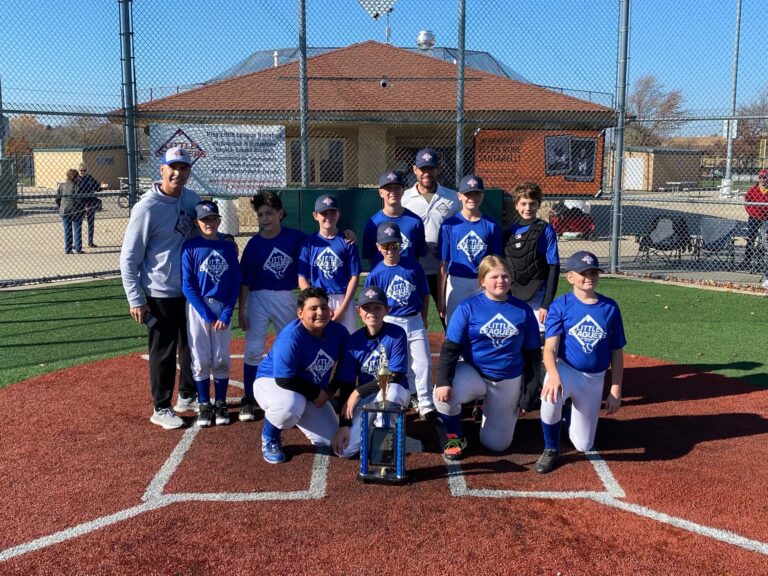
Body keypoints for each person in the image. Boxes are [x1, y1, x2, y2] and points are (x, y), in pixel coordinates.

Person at [239, 192, 357, 422]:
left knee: (301, 344)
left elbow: (325, 237)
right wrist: (242, 310)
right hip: (258, 298)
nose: (265, 218)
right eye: (261, 214)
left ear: (281, 213)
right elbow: (245, 281)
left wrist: (348, 233)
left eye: (270, 213)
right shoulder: (254, 243)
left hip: (286, 297)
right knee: (254, 348)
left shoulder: (297, 238)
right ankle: (248, 399)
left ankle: (308, 391)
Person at [119, 146, 200, 430]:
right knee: (163, 352)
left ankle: (188, 396)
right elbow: (129, 257)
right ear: (162, 170)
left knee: (191, 346)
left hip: (189, 290)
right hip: (159, 291)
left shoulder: (191, 199)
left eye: (184, 167)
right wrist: (135, 298)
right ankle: (161, 407)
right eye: (173, 167)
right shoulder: (147, 207)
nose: (178, 172)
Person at [434, 256, 542, 460]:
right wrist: (443, 382)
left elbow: (533, 356)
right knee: (442, 396)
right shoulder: (468, 307)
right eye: (494, 277)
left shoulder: (523, 310)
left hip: (508, 378)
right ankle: (454, 436)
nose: (500, 281)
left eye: (505, 276)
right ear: (482, 281)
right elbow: (450, 348)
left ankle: (487, 411)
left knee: (496, 445)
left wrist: (529, 393)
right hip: (475, 372)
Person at [533, 251, 626, 474]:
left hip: (594, 378)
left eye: (593, 272)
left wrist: (615, 389)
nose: (589, 277)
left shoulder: (609, 307)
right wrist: (553, 375)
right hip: (566, 370)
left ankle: (568, 412)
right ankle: (550, 448)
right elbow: (550, 349)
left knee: (584, 444)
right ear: (570, 277)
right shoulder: (561, 305)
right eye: (583, 273)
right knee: (550, 396)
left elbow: (617, 352)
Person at [253, 287, 355, 464]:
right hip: (273, 382)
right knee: (289, 407)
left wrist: (330, 391)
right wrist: (317, 393)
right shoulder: (291, 337)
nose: (320, 312)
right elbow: (285, 378)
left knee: (335, 442)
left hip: (306, 388)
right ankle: (270, 436)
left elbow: (345, 372)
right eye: (313, 308)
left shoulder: (339, 333)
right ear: (300, 312)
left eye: (324, 307)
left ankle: (297, 415)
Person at [364, 221, 436, 421]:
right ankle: (394, 398)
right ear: (378, 247)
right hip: (390, 321)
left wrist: (423, 318)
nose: (390, 250)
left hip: (413, 320)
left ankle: (426, 404)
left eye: (394, 245)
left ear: (401, 245)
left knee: (423, 363)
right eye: (386, 246)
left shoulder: (413, 266)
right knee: (392, 366)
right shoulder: (376, 273)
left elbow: (424, 294)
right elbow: (370, 303)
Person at [181, 201, 242, 428]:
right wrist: (206, 314)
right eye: (204, 219)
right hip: (199, 308)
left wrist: (226, 313)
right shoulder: (190, 247)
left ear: (219, 220)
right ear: (197, 223)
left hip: (222, 306)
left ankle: (221, 402)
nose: (209, 223)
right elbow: (188, 285)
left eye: (213, 219)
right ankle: (205, 403)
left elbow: (235, 281)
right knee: (200, 357)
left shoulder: (227, 247)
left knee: (221, 357)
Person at [332, 285, 411, 458]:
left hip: (395, 391)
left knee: (389, 396)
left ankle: (389, 442)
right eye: (367, 308)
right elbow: (346, 383)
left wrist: (357, 392)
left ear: (387, 310)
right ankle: (375, 426)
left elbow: (394, 375)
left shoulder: (397, 334)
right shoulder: (353, 341)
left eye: (377, 307)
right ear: (358, 311)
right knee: (345, 451)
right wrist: (343, 424)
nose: (372, 312)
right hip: (369, 396)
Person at [402, 148, 459, 326]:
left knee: (449, 317)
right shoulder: (404, 198)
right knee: (413, 318)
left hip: (443, 267)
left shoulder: (452, 197)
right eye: (423, 169)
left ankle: (456, 353)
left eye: (431, 168)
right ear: (414, 169)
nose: (427, 173)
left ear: (438, 169)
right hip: (415, 266)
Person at [438, 174, 502, 325]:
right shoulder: (449, 225)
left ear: (482, 196)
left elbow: (497, 262)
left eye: (476, 193)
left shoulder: (491, 225)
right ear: (459, 196)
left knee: (483, 325)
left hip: (483, 282)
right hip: (457, 281)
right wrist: (441, 299)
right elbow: (443, 265)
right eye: (468, 194)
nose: (472, 197)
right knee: (455, 326)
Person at [504, 181, 560, 337]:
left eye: (532, 204)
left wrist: (546, 303)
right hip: (513, 293)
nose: (528, 208)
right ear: (516, 205)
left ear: (538, 204)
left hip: (537, 293)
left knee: (540, 336)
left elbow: (553, 267)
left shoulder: (545, 229)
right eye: (523, 203)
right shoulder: (508, 232)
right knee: (514, 335)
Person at [298, 194, 361, 334]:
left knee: (349, 341)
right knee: (318, 341)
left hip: (343, 298)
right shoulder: (309, 244)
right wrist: (315, 301)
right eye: (324, 213)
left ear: (339, 214)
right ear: (315, 215)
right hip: (318, 297)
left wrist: (342, 309)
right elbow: (302, 278)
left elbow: (354, 277)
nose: (329, 217)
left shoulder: (347, 241)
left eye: (333, 212)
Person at [363, 170, 426, 268]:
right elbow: (370, 258)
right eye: (388, 188)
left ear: (403, 191)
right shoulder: (373, 223)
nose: (393, 192)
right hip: (382, 280)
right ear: (380, 192)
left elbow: (417, 256)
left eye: (397, 188)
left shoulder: (415, 221)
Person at [743, 169, 768, 275]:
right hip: (754, 218)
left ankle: (761, 261)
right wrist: (753, 213)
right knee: (750, 238)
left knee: (764, 239)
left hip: (766, 219)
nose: (762, 179)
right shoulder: (753, 189)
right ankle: (747, 260)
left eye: (765, 177)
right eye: (760, 177)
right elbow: (747, 203)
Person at [76, 162, 107, 248]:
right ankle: (77, 243)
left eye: (84, 170)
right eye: (81, 170)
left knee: (91, 223)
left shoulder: (89, 178)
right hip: (79, 203)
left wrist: (102, 187)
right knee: (78, 223)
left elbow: (97, 188)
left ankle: (90, 241)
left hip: (90, 202)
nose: (82, 172)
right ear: (78, 170)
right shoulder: (76, 179)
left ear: (87, 170)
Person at [55, 168, 85, 255]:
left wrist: (60, 206)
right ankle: (78, 249)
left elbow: (57, 199)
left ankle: (68, 249)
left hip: (65, 210)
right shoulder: (77, 186)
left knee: (67, 230)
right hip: (76, 211)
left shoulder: (62, 186)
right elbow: (79, 200)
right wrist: (82, 209)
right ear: (76, 177)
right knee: (77, 229)